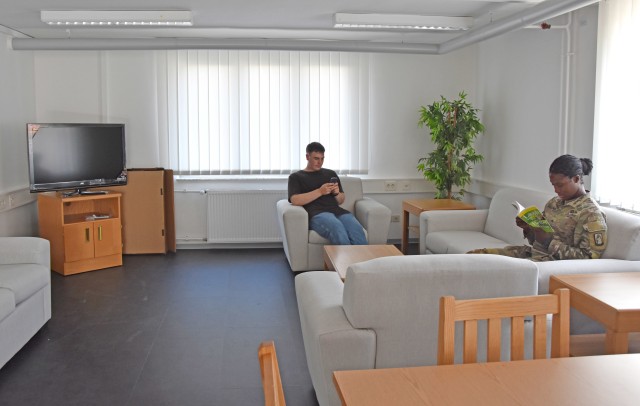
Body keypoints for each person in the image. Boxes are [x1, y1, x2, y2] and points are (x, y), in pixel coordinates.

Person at [469, 154, 607, 261]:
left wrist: (547, 241)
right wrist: (529, 229)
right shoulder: (555, 203)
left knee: (486, 267)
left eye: (560, 185)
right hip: (531, 254)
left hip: (549, 264)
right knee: (475, 257)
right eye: (553, 185)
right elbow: (537, 240)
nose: (555, 190)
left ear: (576, 179)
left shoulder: (591, 213)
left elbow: (589, 259)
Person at [288, 142, 367, 245]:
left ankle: (362, 261)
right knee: (337, 228)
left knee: (356, 230)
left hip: (338, 211)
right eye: (316, 158)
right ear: (307, 156)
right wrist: (320, 191)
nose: (320, 162)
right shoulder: (296, 177)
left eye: (322, 158)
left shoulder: (330, 173)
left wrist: (336, 193)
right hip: (317, 214)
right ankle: (345, 261)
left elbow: (341, 200)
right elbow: (295, 200)